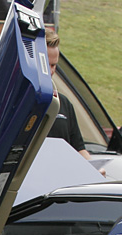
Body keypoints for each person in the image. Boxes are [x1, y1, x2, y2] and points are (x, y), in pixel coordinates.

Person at [44, 29, 92, 163]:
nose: (51, 71)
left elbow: (79, 148)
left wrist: (93, 168)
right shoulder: (17, 103)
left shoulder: (63, 103)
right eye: (46, 64)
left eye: (54, 65)